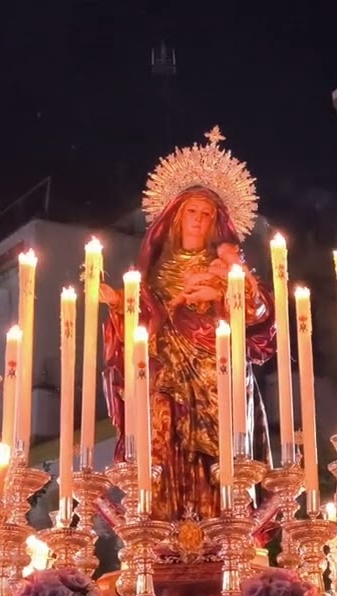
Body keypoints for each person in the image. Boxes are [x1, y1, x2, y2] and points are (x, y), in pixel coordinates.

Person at [98, 130, 274, 523]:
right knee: (163, 434)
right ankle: (161, 522)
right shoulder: (155, 269)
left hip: (217, 368)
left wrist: (229, 290)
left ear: (216, 223)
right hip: (165, 369)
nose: (198, 220)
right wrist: (117, 304)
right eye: (192, 212)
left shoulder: (228, 266)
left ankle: (221, 523)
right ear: (177, 217)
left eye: (206, 214)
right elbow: (143, 321)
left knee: (219, 450)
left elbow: (258, 312)